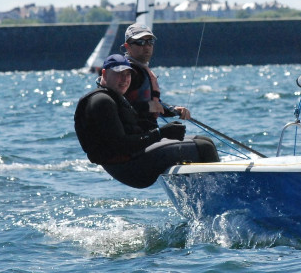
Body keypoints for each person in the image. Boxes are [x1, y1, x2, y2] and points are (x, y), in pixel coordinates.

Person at [74, 53, 218, 189]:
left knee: (204, 140)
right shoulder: (102, 101)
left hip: (133, 159)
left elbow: (140, 109)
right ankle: (216, 196)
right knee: (204, 147)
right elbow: (121, 145)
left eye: (127, 74)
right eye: (119, 74)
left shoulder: (114, 96)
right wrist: (161, 133)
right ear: (104, 73)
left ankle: (199, 193)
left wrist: (172, 111)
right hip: (129, 166)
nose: (124, 79)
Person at [122, 23, 190, 131]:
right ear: (128, 46)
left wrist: (174, 110)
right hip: (136, 138)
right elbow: (119, 108)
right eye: (141, 42)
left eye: (150, 42)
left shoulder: (143, 70)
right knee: (203, 146)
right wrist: (148, 107)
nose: (147, 46)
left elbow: (153, 103)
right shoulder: (128, 73)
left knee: (205, 142)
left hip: (150, 134)